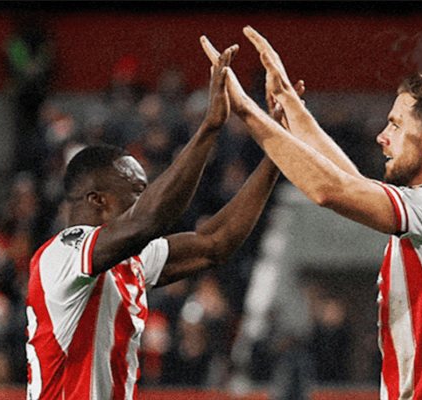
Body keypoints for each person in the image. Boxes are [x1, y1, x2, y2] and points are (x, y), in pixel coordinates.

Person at [201, 27, 422, 400]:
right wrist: (291, 108)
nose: (382, 136)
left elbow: (331, 190)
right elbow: (350, 183)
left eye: (396, 124)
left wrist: (244, 110)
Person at [25, 44, 282, 400]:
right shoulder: (63, 254)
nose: (143, 199)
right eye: (135, 191)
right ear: (98, 199)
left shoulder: (126, 260)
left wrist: (275, 156)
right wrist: (209, 128)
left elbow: (215, 244)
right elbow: (150, 218)